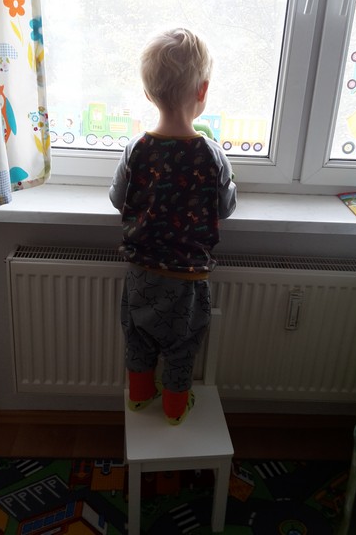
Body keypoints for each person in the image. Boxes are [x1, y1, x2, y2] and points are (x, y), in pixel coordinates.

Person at [109, 27, 236, 425]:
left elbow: (117, 199)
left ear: (149, 94)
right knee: (182, 346)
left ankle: (139, 396)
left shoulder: (136, 148)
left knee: (138, 336)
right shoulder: (211, 154)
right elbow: (226, 207)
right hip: (188, 280)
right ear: (203, 90)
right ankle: (175, 409)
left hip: (142, 272)